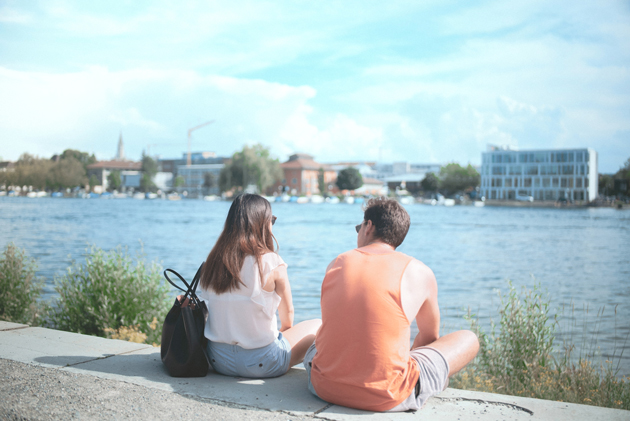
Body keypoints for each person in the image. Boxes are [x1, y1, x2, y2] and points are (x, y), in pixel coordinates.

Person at [304, 197, 479, 412]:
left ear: (369, 226)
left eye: (359, 227)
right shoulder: (420, 271)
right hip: (387, 395)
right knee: (469, 339)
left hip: (323, 387)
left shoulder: (338, 261)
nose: (358, 232)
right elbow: (429, 338)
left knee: (315, 335)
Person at [196, 193, 321, 378]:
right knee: (318, 324)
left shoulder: (213, 261)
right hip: (262, 363)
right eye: (272, 220)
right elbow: (287, 320)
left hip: (217, 360)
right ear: (262, 223)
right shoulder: (272, 262)